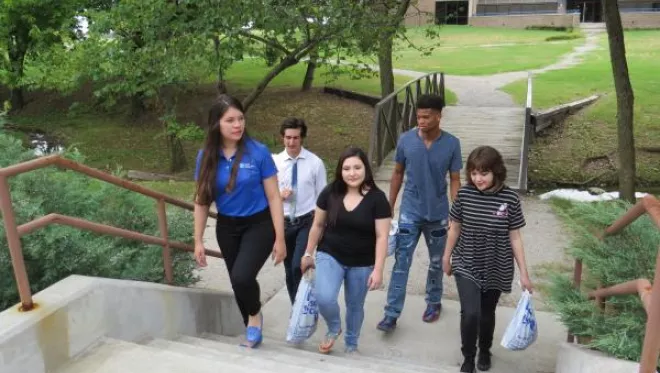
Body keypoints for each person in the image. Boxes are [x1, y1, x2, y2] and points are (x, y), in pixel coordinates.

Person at [192, 94, 286, 349]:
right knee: (237, 281)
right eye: (230, 120)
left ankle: (254, 316)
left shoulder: (259, 152)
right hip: (227, 227)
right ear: (216, 124)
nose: (237, 125)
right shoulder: (206, 157)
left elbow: (274, 197)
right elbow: (201, 201)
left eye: (241, 118)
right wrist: (198, 240)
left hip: (259, 225)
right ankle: (251, 327)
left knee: (243, 276)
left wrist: (280, 237)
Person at [442, 146, 533, 373]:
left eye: (483, 173)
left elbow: (515, 237)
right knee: (470, 312)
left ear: (496, 171)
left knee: (486, 312)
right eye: (473, 173)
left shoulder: (510, 198)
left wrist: (524, 273)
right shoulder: (464, 194)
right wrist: (446, 256)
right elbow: (454, 228)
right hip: (466, 260)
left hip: (496, 262)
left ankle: (484, 349)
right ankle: (468, 356)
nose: (478, 178)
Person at [378, 94, 462, 332]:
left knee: (436, 262)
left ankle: (433, 302)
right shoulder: (406, 140)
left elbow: (455, 179)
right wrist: (389, 205)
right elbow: (396, 173)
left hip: (438, 213)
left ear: (438, 116)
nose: (422, 121)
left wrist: (456, 212)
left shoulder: (452, 143)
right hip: (409, 213)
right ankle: (391, 314)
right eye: (419, 116)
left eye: (427, 116)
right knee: (401, 263)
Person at [301, 147, 391, 354]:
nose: (352, 173)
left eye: (357, 168)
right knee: (324, 297)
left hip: (362, 262)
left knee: (355, 305)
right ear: (340, 171)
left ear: (365, 169)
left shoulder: (378, 199)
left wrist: (378, 269)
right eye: (347, 168)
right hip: (330, 253)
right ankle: (334, 327)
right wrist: (308, 252)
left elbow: (382, 236)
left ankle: (351, 344)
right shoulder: (330, 192)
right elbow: (317, 225)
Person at [273, 117, 327, 304]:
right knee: (289, 269)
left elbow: (323, 197)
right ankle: (297, 307)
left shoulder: (315, 163)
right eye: (288, 137)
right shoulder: (275, 162)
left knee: (298, 265)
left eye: (296, 137)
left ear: (301, 138)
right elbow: (266, 195)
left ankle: (303, 305)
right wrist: (279, 195)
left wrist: (322, 226)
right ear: (282, 138)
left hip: (307, 221)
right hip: (284, 222)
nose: (291, 142)